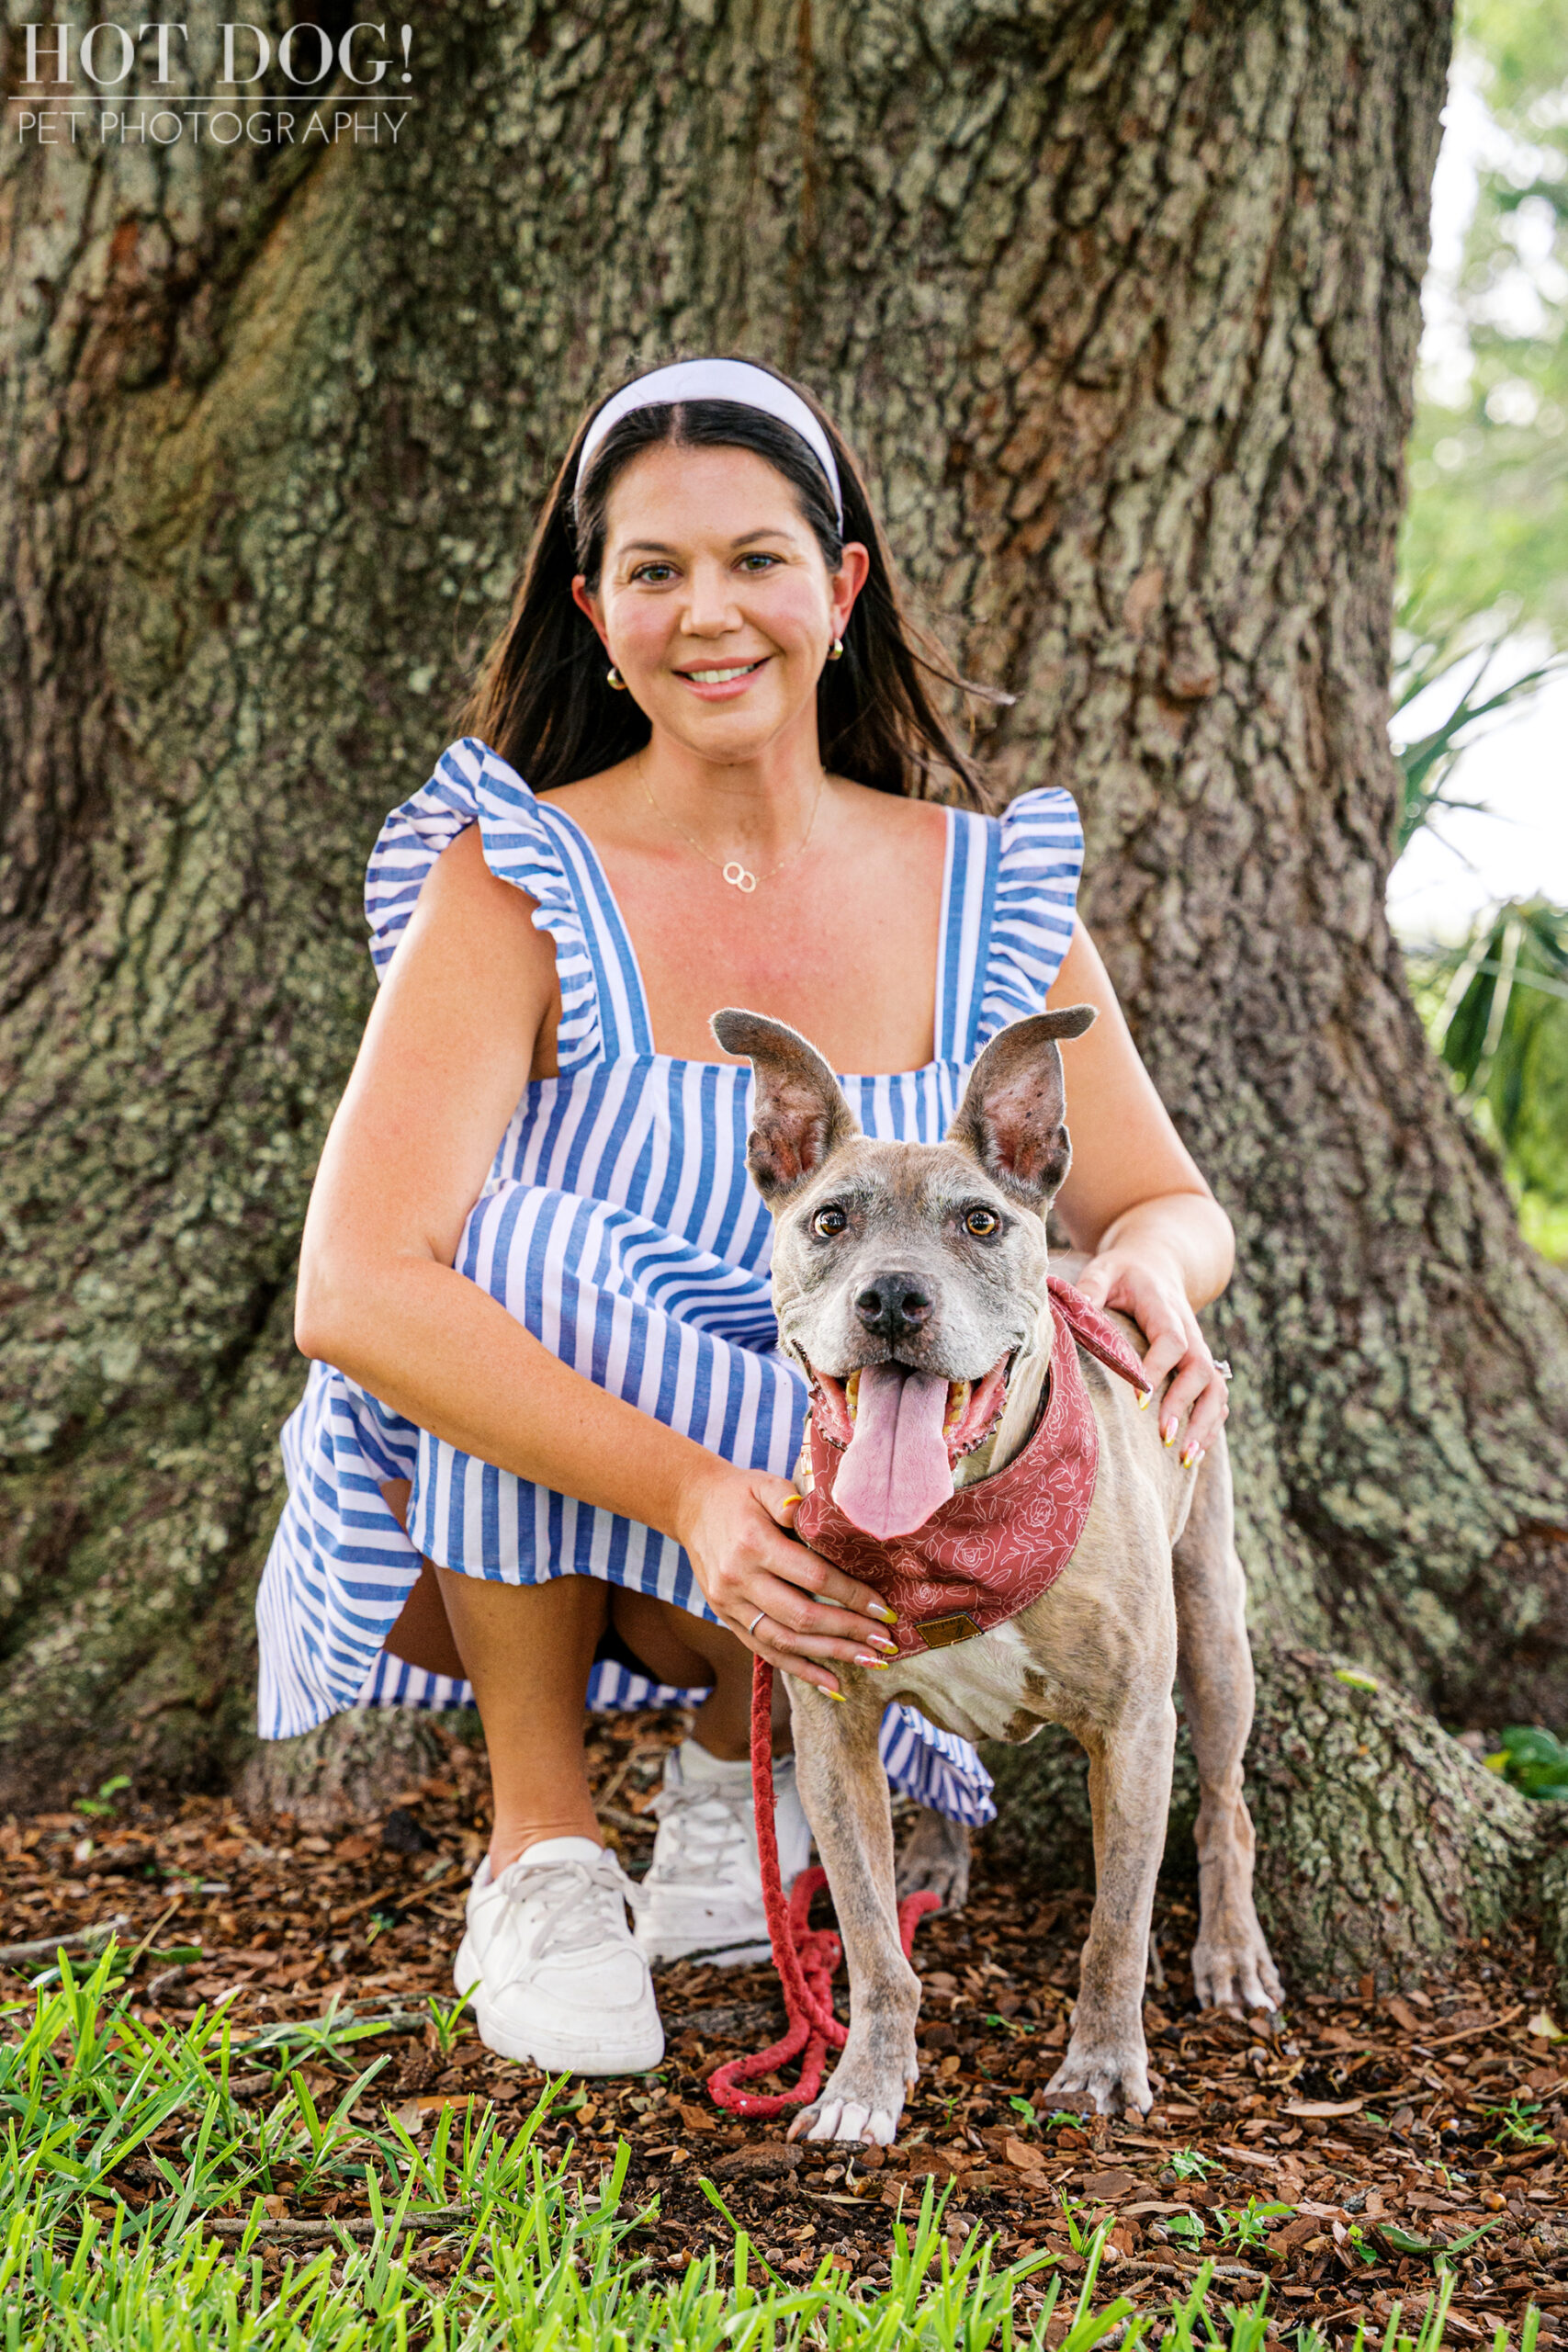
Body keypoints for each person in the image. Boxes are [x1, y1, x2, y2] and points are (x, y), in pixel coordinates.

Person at [255, 357, 1234, 2077]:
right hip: (587, 1495)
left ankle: (742, 1782)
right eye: (653, 571)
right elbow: (353, 1285)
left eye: (758, 559)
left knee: (907, 1368)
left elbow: (1160, 1198)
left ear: (840, 588)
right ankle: (542, 1849)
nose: (710, 612)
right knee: (523, 1249)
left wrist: (1147, 1278)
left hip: (885, 1534)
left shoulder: (979, 886)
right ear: (596, 610)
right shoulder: (518, 878)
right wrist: (697, 1491)